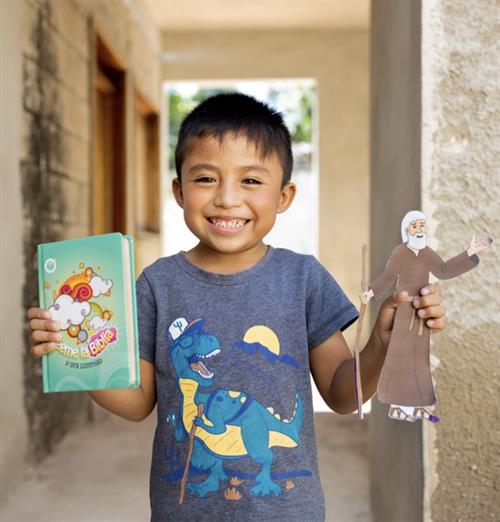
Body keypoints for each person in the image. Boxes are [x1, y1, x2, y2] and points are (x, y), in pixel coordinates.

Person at [27, 93, 446, 521]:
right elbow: (137, 402)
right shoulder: (156, 284)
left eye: (250, 181)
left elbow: (343, 394)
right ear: (179, 190)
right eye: (206, 178)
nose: (227, 198)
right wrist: (75, 357)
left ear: (284, 196)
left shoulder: (302, 278)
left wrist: (381, 345)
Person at [361, 210, 491, 423]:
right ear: (407, 231)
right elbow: (388, 277)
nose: (419, 230)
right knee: (400, 358)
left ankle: (415, 406)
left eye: (422, 226)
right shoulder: (400, 252)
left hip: (419, 314)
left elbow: (444, 270)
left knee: (418, 360)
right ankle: (399, 407)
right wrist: (371, 292)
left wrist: (469, 253)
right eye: (415, 226)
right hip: (403, 312)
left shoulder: (428, 253)